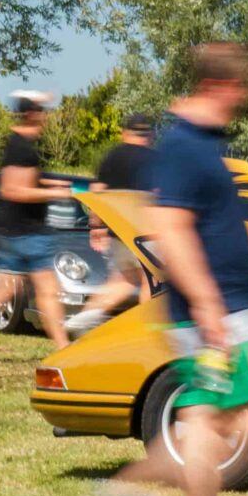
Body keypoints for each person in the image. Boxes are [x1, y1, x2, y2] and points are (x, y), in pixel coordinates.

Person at [107, 43, 248, 496]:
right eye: (244, 86)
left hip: (233, 306)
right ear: (222, 86)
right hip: (214, 311)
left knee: (246, 415)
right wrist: (208, 304)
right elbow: (170, 229)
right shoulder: (185, 145)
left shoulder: (204, 143)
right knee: (220, 418)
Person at [0, 91, 74, 363]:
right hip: (29, 234)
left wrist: (49, 185)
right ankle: (64, 349)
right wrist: (53, 194)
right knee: (47, 291)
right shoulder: (23, 149)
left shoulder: (17, 145)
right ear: (33, 114)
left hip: (17, 233)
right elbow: (15, 191)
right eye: (43, 112)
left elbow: (22, 185)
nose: (46, 118)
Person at [66, 113, 158, 338]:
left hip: (119, 233)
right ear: (150, 134)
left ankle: (82, 320)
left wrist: (96, 227)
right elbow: (159, 196)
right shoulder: (156, 160)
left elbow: (97, 192)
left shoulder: (112, 157)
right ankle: (146, 336)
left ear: (125, 132)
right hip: (145, 234)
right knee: (151, 283)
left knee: (122, 282)